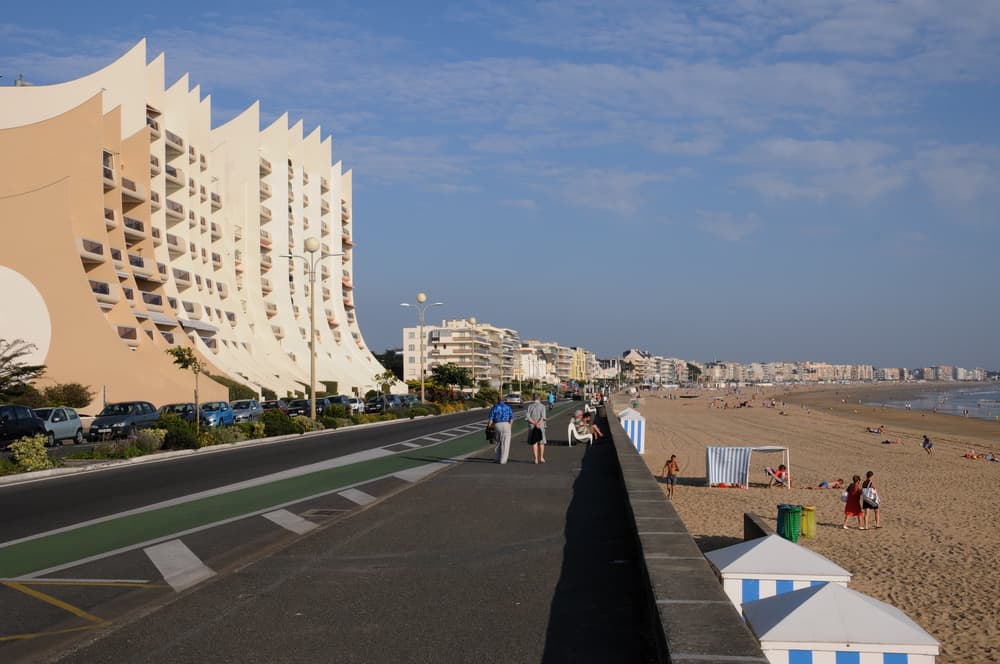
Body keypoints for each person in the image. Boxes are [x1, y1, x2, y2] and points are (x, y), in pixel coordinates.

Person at [488, 395, 515, 464]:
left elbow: (491, 419)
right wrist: (509, 426)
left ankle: (497, 458)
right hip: (506, 424)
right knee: (505, 443)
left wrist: (489, 427)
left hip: (497, 424)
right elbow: (511, 419)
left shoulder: (495, 407)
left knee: (498, 442)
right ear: (504, 400)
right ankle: (503, 460)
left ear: (498, 400)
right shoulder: (508, 407)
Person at [525, 392, 547, 464]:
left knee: (534, 442)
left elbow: (527, 417)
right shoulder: (542, 406)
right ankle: (541, 457)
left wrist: (534, 423)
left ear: (533, 398)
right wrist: (538, 423)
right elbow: (543, 417)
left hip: (532, 426)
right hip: (540, 426)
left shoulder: (530, 406)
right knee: (541, 442)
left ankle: (536, 459)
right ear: (539, 398)